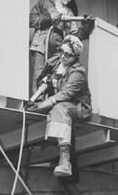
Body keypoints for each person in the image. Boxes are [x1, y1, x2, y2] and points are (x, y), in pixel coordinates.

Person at [27, 35, 91, 178]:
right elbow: (48, 81)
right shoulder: (58, 64)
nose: (63, 56)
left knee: (59, 108)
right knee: (55, 109)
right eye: (62, 51)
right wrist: (42, 88)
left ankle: (65, 161)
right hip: (60, 105)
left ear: (75, 57)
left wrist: (43, 104)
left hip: (78, 107)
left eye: (67, 54)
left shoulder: (78, 72)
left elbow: (65, 94)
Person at [29, 0, 91, 95]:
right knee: (37, 80)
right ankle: (34, 107)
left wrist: (84, 29)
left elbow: (73, 36)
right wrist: (50, 18)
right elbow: (32, 21)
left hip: (57, 55)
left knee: (51, 83)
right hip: (40, 48)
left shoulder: (69, 13)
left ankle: (45, 108)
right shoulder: (44, 3)